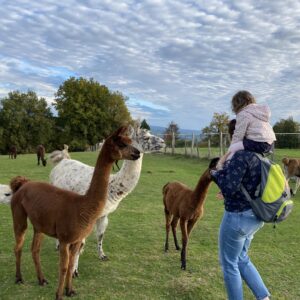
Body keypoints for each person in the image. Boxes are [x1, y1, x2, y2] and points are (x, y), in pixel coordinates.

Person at [211, 149, 271, 300]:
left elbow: (228, 186)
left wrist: (215, 171)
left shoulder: (241, 155)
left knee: (229, 264)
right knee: (242, 258)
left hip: (238, 216)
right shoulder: (261, 155)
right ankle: (264, 297)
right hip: (255, 216)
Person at [217, 90, 276, 169]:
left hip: (258, 143)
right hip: (270, 144)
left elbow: (239, 134)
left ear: (237, 104)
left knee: (233, 148)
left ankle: (226, 166)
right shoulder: (259, 113)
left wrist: (232, 146)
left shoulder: (243, 113)